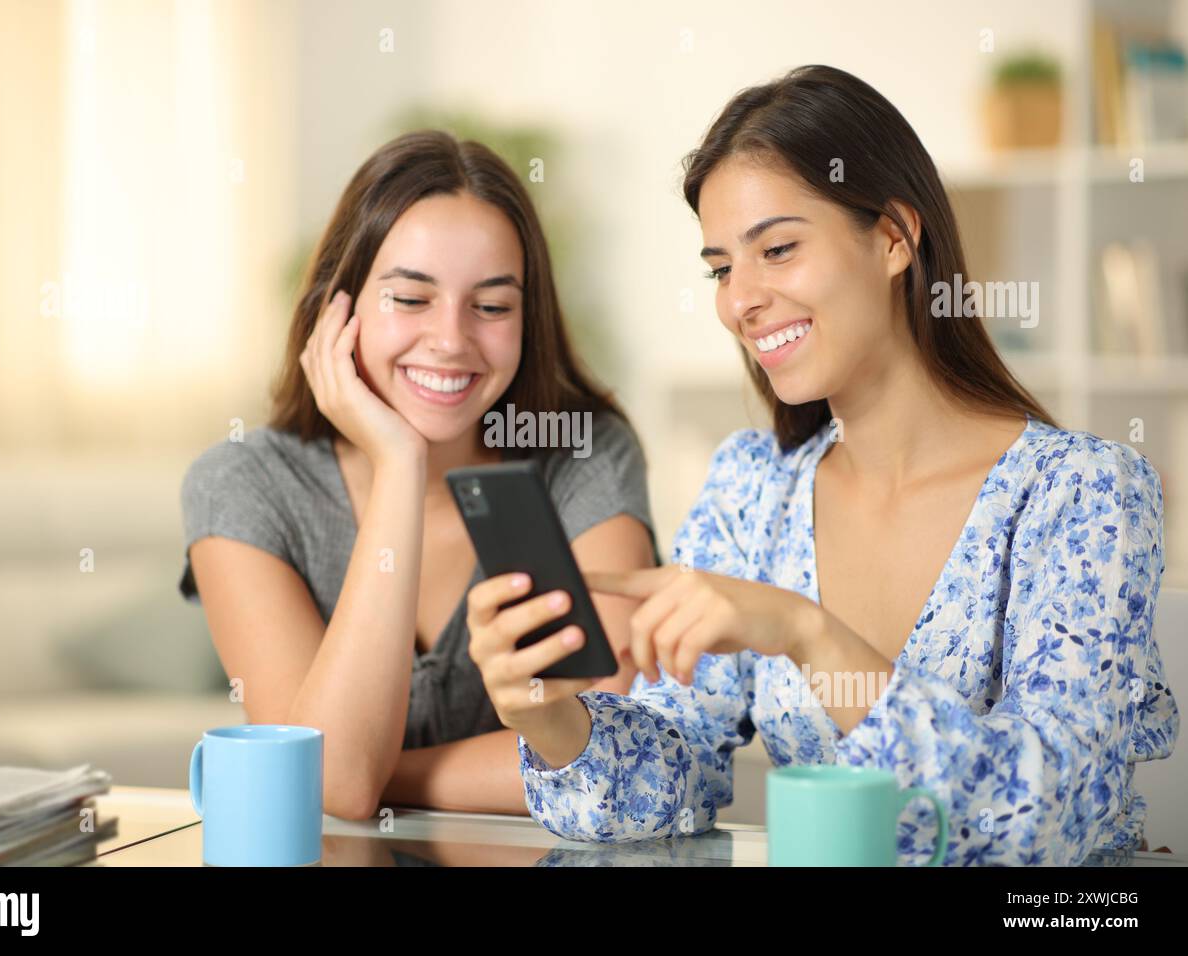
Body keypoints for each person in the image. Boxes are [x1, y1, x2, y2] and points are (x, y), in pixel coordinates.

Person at [467, 66, 1179, 865]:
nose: (741, 300)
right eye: (721, 267)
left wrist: (805, 632)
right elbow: (678, 768)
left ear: (893, 239)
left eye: (777, 249)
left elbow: (1048, 811)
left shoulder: (1084, 492)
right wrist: (549, 717)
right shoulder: (753, 485)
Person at [179, 130, 655, 820]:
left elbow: (609, 753)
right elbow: (333, 788)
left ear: (528, 320)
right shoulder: (244, 486)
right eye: (410, 298)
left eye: (491, 307)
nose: (451, 340)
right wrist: (398, 464)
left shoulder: (582, 456)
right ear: (336, 310)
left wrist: (375, 772)